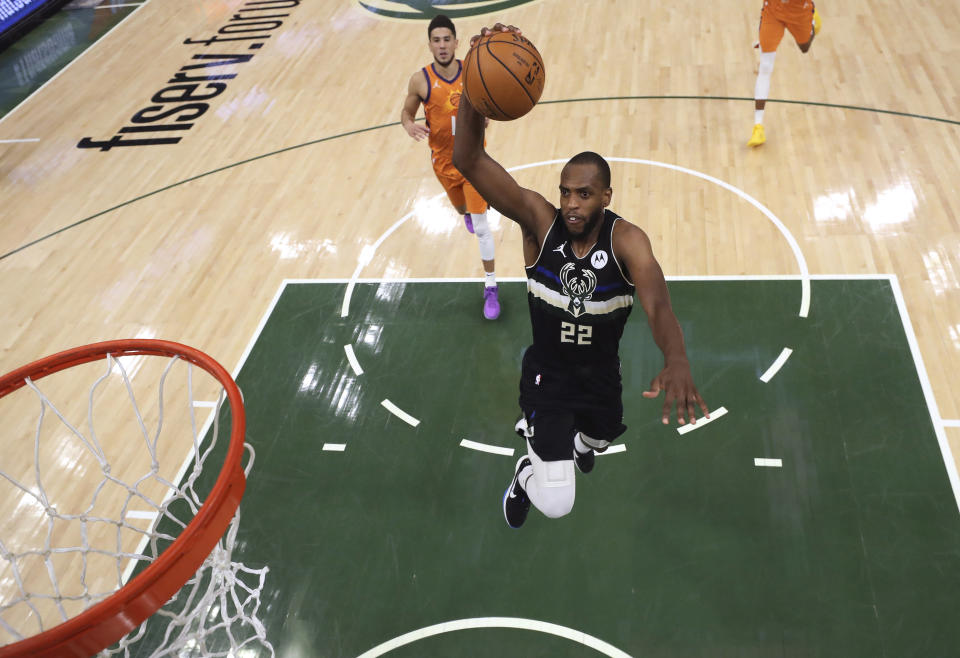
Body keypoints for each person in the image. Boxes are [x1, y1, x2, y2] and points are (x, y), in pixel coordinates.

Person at [453, 24, 710, 529]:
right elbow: (468, 158)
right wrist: (473, 82)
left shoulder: (628, 242)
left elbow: (658, 304)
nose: (571, 204)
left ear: (606, 197)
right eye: (566, 192)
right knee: (558, 501)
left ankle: (579, 442)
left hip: (599, 376)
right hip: (548, 380)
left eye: (584, 194)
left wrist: (676, 356)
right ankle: (527, 472)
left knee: (597, 438)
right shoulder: (538, 223)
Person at [400, 14, 501, 319]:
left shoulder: (472, 71)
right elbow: (406, 111)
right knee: (462, 211)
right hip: (444, 163)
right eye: (436, 40)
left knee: (482, 227)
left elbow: (489, 102)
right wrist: (408, 124)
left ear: (457, 42)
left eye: (447, 39)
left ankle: (491, 288)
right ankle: (467, 211)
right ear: (430, 44)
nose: (442, 45)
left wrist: (485, 115)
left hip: (473, 161)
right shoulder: (420, 80)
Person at [748, 1, 822, 147]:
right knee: (765, 67)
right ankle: (758, 127)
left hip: (800, 12)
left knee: (804, 47)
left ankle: (813, 21)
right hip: (773, 11)